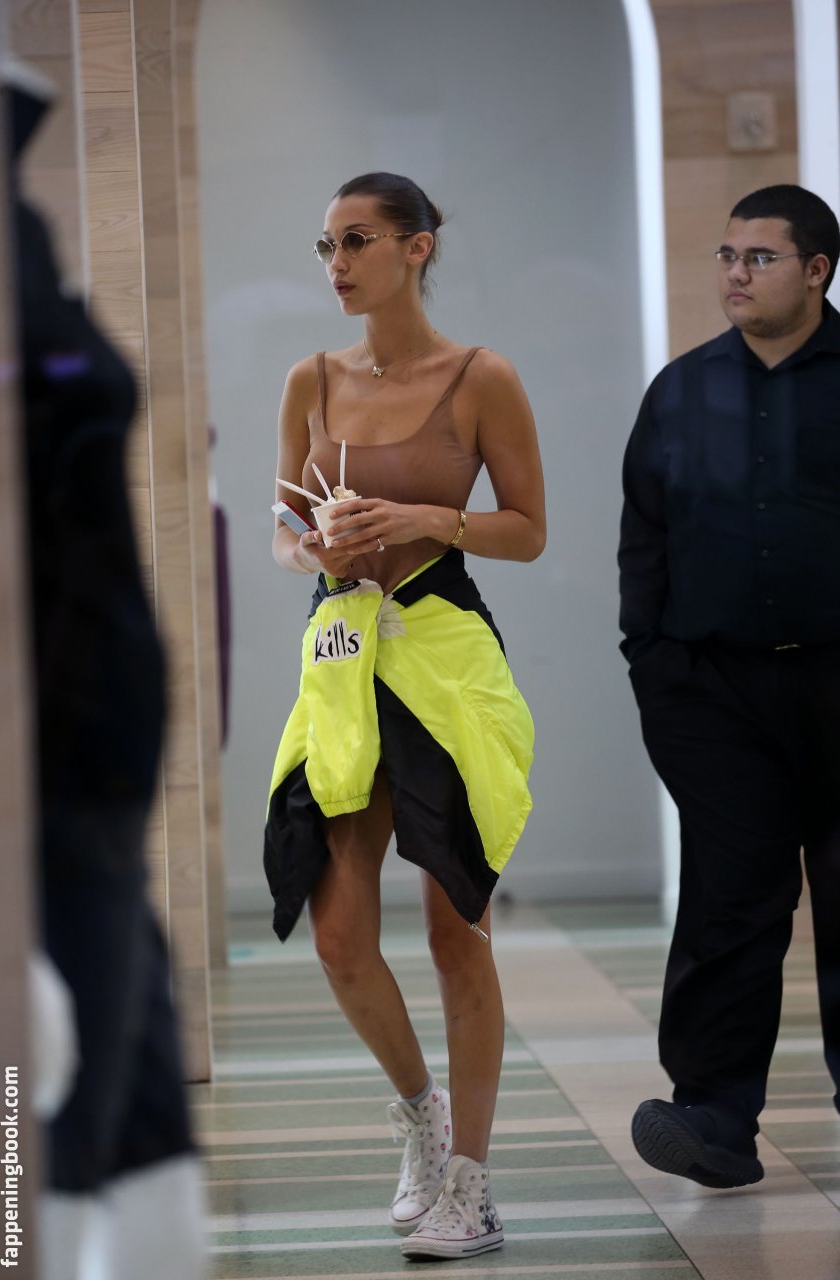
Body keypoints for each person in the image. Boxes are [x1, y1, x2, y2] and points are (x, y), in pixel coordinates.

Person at [263, 171, 545, 1259]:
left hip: (442, 656)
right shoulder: (310, 378)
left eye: (357, 240)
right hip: (342, 658)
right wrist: (314, 550)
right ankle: (420, 1116)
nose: (336, 263)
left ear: (417, 247)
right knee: (338, 933)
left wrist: (426, 515)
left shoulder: (481, 377)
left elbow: (527, 529)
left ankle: (471, 1183)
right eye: (326, 245)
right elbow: (284, 531)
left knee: (452, 927)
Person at [1, 57, 204, 1280]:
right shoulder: (8, 260)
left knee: (133, 1042)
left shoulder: (17, 237)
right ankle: (31, 1239)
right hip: (50, 725)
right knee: (54, 1070)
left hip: (96, 722)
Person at [618, 184, 840, 1189]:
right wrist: (653, 664)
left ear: (816, 270)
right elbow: (644, 535)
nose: (734, 274)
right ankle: (712, 1117)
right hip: (712, 692)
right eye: (725, 255)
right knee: (730, 897)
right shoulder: (680, 390)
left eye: (758, 257)